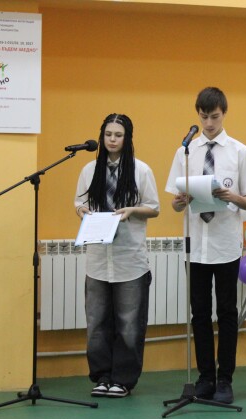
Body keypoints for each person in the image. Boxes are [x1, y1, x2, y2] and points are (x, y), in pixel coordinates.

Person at [165, 87, 246, 404]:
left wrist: (232, 196)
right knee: (200, 313)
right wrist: (181, 201)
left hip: (225, 244)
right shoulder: (186, 152)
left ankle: (225, 379)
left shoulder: (239, 152)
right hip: (196, 246)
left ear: (224, 113)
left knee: (227, 312)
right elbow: (175, 204)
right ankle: (205, 377)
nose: (208, 123)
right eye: (203, 116)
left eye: (214, 117)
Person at [74, 113, 160, 398]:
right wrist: (82, 211)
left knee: (129, 324)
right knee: (97, 324)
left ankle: (122, 380)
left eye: (118, 135)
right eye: (108, 134)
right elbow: (79, 202)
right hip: (98, 259)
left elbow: (154, 207)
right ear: (102, 136)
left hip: (129, 259)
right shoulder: (89, 170)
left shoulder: (141, 170)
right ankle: (102, 376)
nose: (112, 139)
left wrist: (132, 210)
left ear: (127, 138)